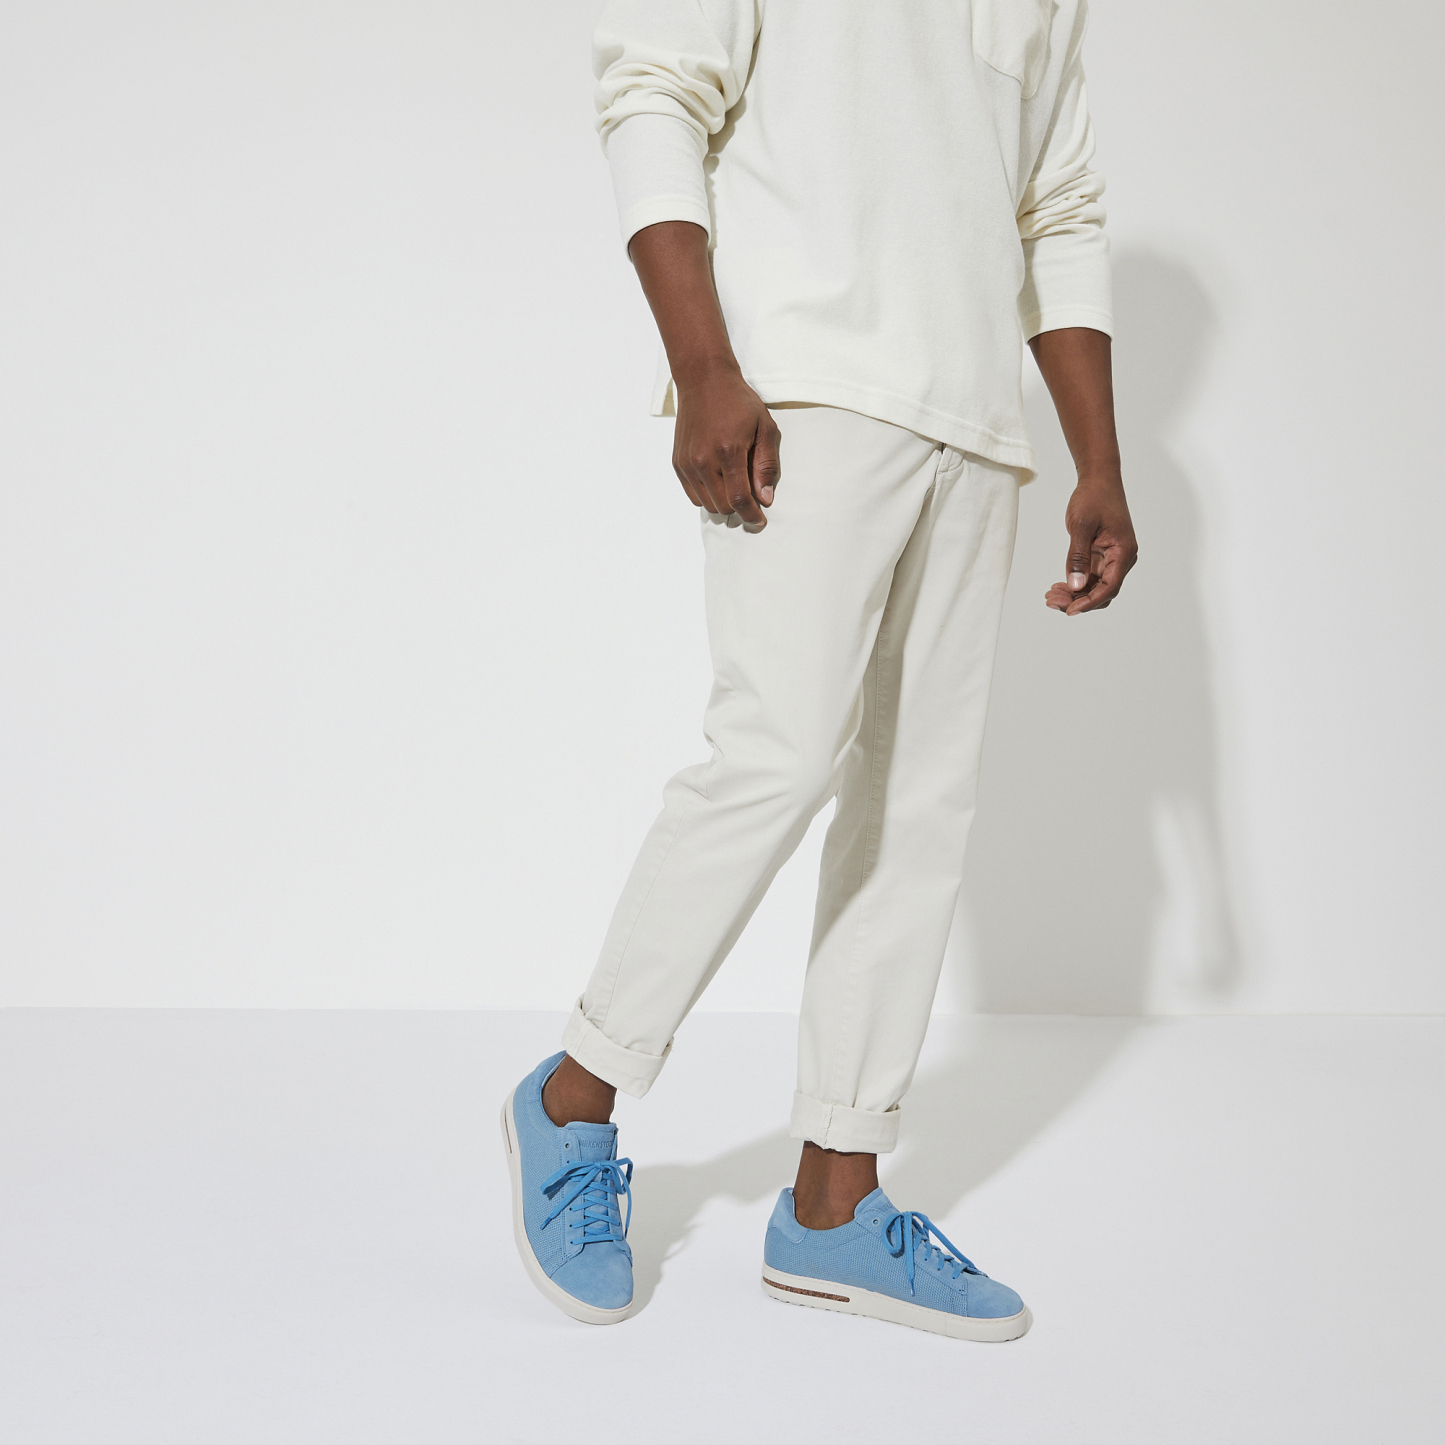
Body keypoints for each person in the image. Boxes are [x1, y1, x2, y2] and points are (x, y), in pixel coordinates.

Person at [501, 0, 1137, 1340]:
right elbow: (653, 89)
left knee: (917, 814)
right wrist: (702, 366)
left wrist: (1099, 460)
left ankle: (836, 1201)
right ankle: (572, 1096)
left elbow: (1058, 204)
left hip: (977, 426)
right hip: (801, 386)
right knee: (775, 758)